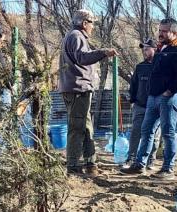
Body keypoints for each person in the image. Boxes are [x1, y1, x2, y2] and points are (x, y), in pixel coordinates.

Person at [121, 18, 177, 180]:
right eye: (159, 30)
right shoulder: (161, 49)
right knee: (146, 131)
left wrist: (169, 91)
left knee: (167, 132)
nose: (160, 33)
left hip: (169, 97)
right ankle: (139, 164)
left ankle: (168, 168)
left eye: (164, 31)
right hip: (153, 97)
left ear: (174, 32)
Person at [58, 9, 118, 176]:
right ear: (84, 23)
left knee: (86, 127)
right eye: (92, 24)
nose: (93, 27)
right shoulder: (76, 36)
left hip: (77, 89)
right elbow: (82, 57)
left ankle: (90, 163)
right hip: (78, 89)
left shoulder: (72, 36)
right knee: (77, 128)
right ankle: (74, 166)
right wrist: (103, 52)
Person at [128, 38, 161, 169]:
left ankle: (150, 160)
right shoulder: (140, 67)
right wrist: (133, 100)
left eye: (147, 49)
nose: (145, 51)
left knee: (154, 134)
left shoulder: (160, 66)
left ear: (155, 49)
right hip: (140, 106)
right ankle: (131, 158)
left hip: (155, 107)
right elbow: (133, 85)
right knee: (136, 132)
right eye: (144, 49)